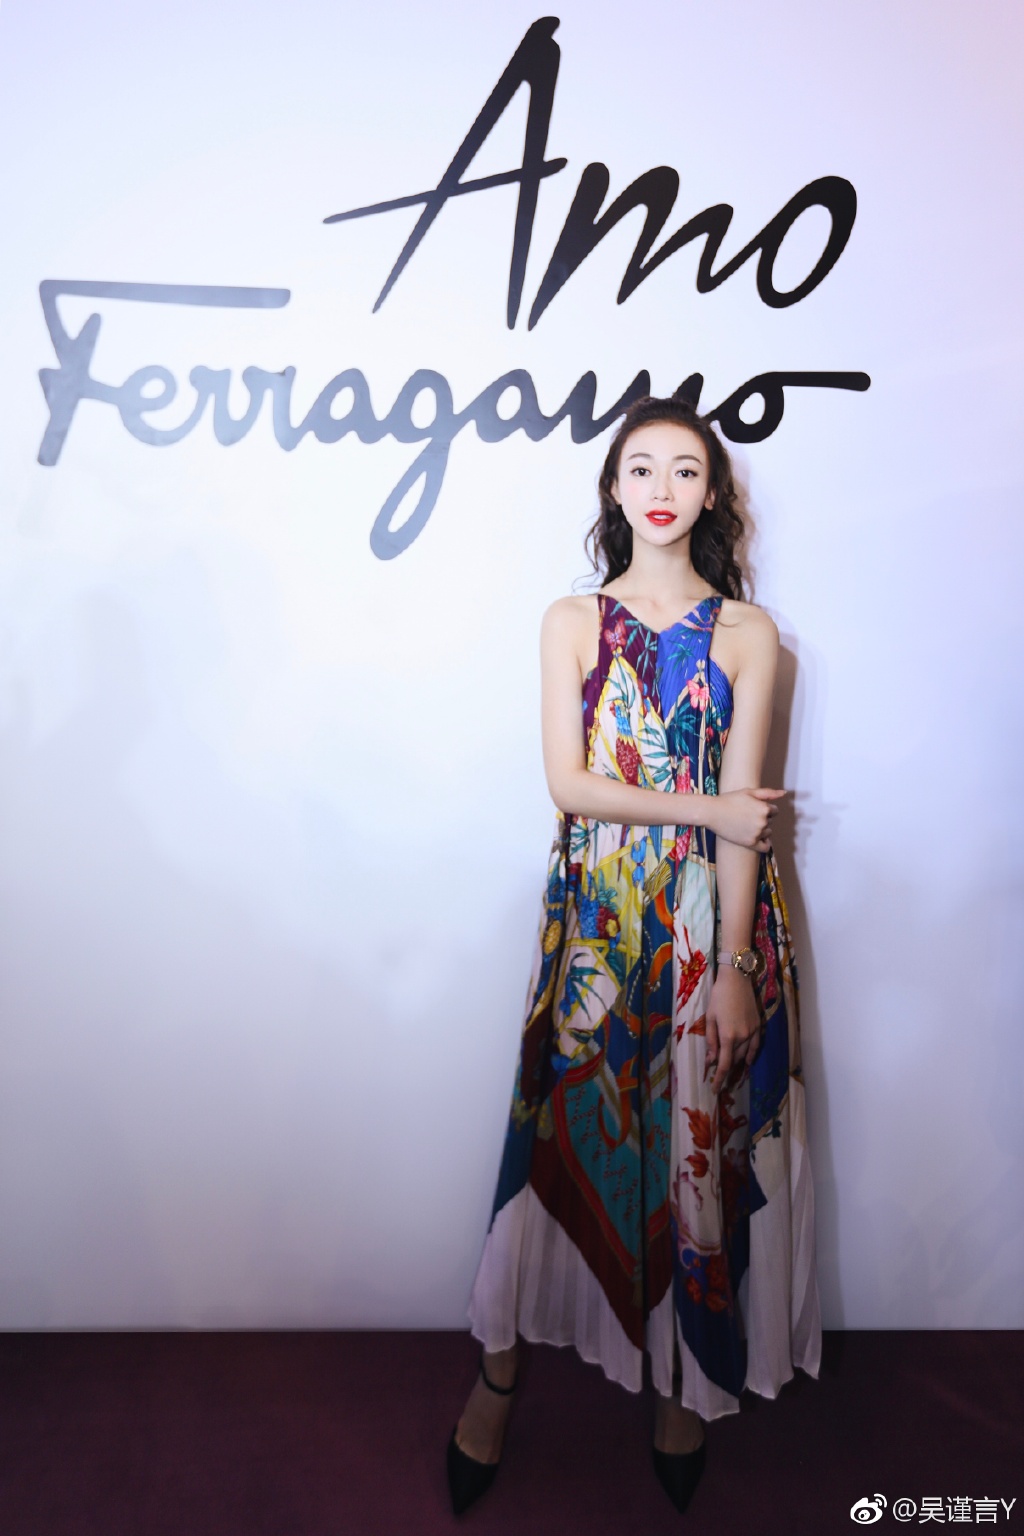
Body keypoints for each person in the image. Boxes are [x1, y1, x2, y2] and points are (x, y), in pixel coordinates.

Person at [446, 394, 821, 1516]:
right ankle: (498, 1377)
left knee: (697, 1151)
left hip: (712, 926)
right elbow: (569, 786)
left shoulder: (750, 634)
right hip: (597, 923)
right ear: (613, 489)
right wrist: (707, 808)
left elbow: (748, 827)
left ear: (713, 495)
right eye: (641, 468)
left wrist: (738, 969)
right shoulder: (572, 618)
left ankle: (682, 1385)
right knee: (557, 1134)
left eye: (686, 470)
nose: (663, 488)